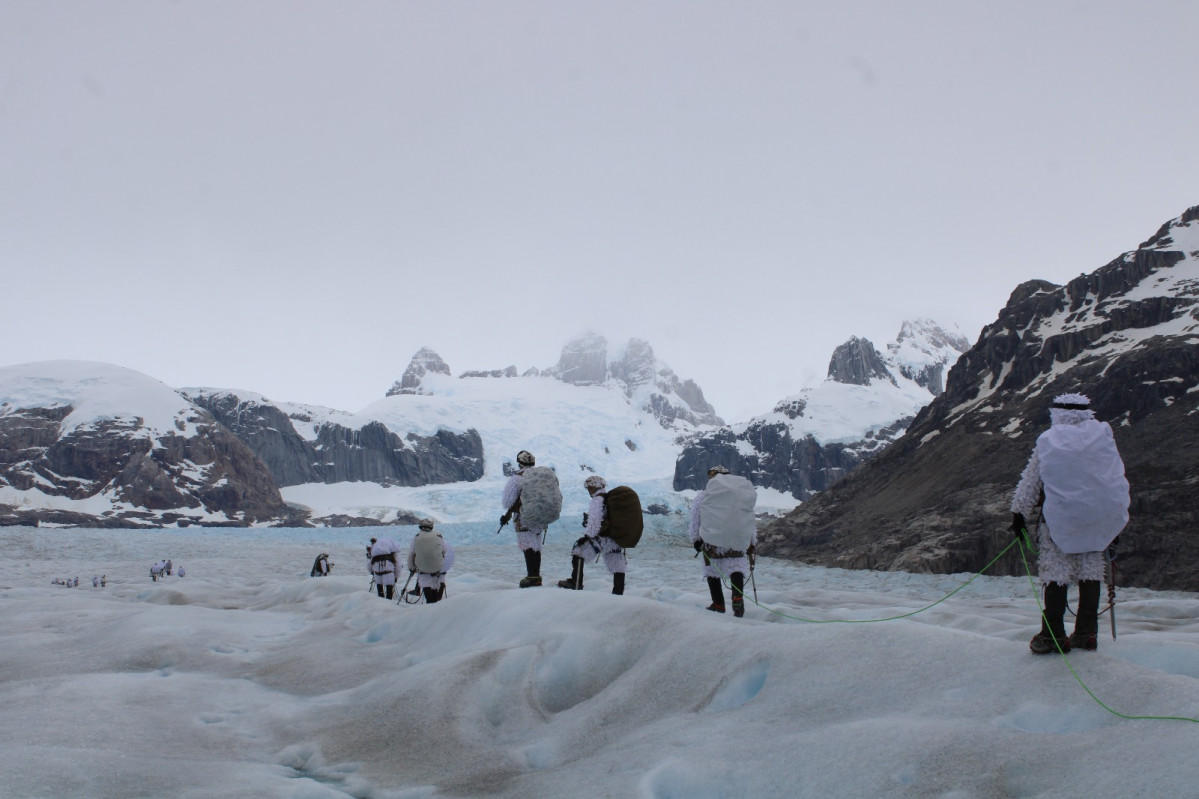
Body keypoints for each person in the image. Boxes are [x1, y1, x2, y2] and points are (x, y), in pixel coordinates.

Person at [1010, 393, 1130, 654]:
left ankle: (1052, 636)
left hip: (1060, 521)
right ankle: (1086, 634)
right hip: (1097, 521)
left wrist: (1018, 514)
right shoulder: (1102, 438)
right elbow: (1112, 478)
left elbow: (1031, 481)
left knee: (1056, 573)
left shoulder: (1050, 442)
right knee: (1090, 572)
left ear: (1058, 413)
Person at [689, 466, 756, 617]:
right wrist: (751, 540)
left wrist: (696, 539)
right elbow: (747, 517)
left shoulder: (704, 495)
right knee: (736, 567)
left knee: (712, 570)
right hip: (737, 540)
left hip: (713, 541)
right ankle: (738, 601)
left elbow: (696, 517)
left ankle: (718, 604)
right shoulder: (740, 494)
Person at [558, 475, 626, 594]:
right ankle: (618, 593)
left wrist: (586, 537)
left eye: (589, 487)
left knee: (578, 551)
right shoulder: (609, 498)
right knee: (617, 564)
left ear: (594, 487)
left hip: (604, 538)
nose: (588, 490)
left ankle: (576, 583)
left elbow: (594, 523)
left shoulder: (597, 500)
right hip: (615, 538)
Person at [500, 450, 545, 587]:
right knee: (536, 545)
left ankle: (532, 576)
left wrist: (508, 514)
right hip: (539, 518)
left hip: (524, 518)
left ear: (520, 463)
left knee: (528, 544)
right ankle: (536, 575)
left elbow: (508, 502)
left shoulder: (518, 479)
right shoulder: (540, 478)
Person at [407, 519, 455, 603]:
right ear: (431, 527)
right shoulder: (438, 536)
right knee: (435, 588)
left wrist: (411, 567)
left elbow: (411, 553)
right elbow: (444, 550)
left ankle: (430, 604)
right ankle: (436, 604)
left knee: (426, 587)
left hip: (422, 569)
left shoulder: (416, 537)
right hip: (437, 568)